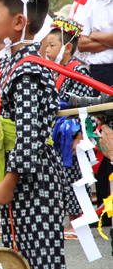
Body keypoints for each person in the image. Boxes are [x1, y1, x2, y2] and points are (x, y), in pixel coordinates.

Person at [0, 0, 67, 269]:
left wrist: (9, 180)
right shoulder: (14, 63)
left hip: (34, 179)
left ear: (19, 21)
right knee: (21, 258)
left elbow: (31, 133)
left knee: (37, 261)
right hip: (24, 178)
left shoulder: (29, 69)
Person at [46, 16, 94, 239]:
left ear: (67, 48)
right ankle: (67, 221)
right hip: (57, 133)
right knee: (62, 179)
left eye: (52, 45)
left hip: (73, 133)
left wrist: (80, 137)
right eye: (46, 45)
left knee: (76, 177)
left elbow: (85, 109)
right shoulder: (53, 71)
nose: (46, 49)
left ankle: (77, 223)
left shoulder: (79, 72)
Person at [75, 0, 113, 227]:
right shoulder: (91, 0)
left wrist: (95, 36)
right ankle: (104, 208)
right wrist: (107, 36)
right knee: (98, 136)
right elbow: (78, 41)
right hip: (97, 74)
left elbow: (89, 39)